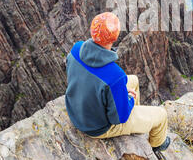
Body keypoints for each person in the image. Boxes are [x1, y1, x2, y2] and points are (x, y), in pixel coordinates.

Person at [65, 12, 170, 152]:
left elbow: (85, 78)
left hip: (76, 110)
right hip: (96, 127)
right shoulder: (115, 76)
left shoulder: (76, 49)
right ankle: (157, 144)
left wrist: (120, 96)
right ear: (114, 37)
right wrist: (129, 99)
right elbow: (119, 118)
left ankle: (135, 118)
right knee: (161, 115)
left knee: (133, 80)